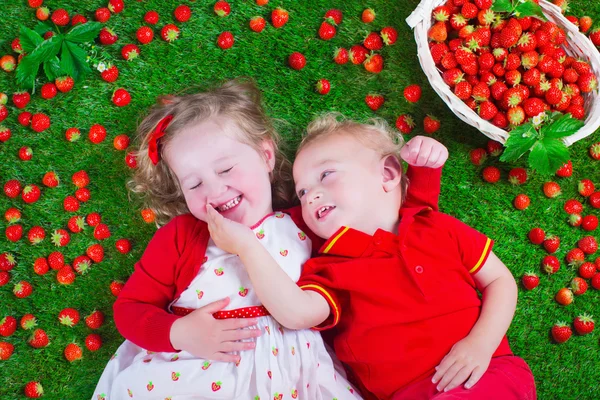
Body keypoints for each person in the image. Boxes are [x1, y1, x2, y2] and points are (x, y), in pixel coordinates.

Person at [92, 80, 443, 400]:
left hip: (295, 378)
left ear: (265, 155)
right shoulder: (183, 236)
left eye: (226, 169)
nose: (214, 190)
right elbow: (130, 310)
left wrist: (424, 173)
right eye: (194, 184)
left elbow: (390, 228)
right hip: (198, 373)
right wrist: (179, 333)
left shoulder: (307, 224)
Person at [208, 113, 536, 400]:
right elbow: (295, 313)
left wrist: (481, 343)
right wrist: (248, 247)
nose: (311, 196)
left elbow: (500, 280)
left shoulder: (434, 227)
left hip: (485, 375)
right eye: (302, 192)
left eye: (326, 175)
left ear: (389, 174)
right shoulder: (330, 267)